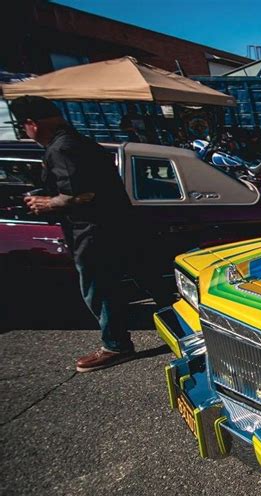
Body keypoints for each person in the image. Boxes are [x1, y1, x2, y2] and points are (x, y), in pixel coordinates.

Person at [10, 95, 168, 373]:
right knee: (151, 281)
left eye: (24, 126)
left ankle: (115, 345)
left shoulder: (62, 148)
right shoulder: (79, 142)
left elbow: (82, 194)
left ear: (32, 124)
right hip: (120, 226)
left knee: (101, 289)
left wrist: (47, 202)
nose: (26, 131)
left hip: (94, 232)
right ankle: (187, 330)